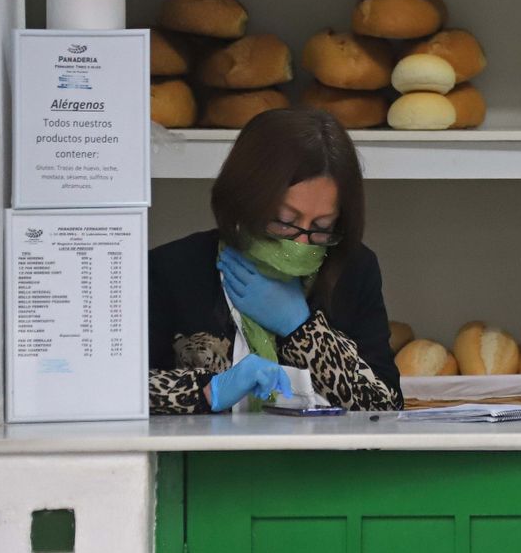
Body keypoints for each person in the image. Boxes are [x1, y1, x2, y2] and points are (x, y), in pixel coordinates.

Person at [147, 108, 401, 414]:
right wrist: (208, 391)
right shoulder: (172, 270)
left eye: (322, 227)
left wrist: (302, 329)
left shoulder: (352, 268)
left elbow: (385, 407)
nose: (301, 243)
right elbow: (116, 390)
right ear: (244, 202)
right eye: (284, 222)